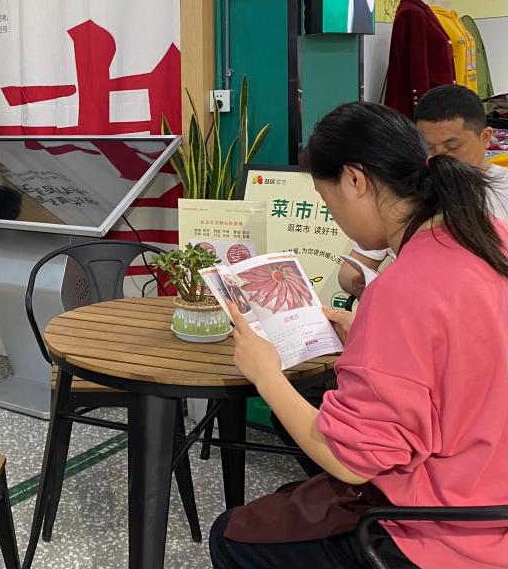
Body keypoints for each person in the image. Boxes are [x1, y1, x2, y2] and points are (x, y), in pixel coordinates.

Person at [211, 102, 508, 569]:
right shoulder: (490, 236)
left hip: (447, 530)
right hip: (492, 490)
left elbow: (351, 462)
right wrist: (370, 341)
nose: (334, 217)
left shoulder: (403, 288)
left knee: (232, 535)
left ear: (354, 180)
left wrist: (266, 375)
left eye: (327, 202)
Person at [339, 84, 508, 298]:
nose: (438, 158)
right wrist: (375, 288)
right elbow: (350, 271)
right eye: (428, 148)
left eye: (452, 147)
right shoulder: (406, 192)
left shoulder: (503, 190)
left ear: (485, 137)